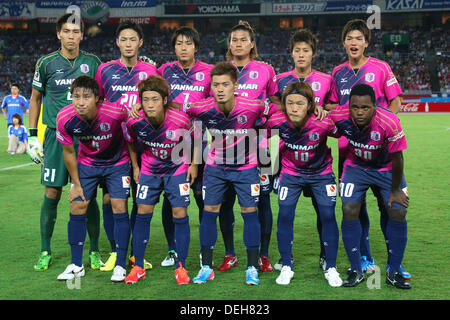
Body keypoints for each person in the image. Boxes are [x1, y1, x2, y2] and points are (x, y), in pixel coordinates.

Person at [327, 19, 409, 279]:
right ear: (344, 43)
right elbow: (332, 107)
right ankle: (364, 257)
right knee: (354, 206)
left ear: (366, 42)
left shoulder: (381, 67)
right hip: (349, 150)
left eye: (358, 38)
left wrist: (382, 129)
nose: (354, 43)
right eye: (349, 38)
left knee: (390, 206)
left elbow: (395, 101)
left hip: (381, 148)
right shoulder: (337, 73)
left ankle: (392, 262)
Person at [184, 61, 276, 285]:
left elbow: (279, 112)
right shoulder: (202, 107)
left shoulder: (253, 106)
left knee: (249, 211)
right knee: (209, 211)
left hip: (246, 167)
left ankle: (252, 268)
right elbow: (185, 121)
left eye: (225, 84)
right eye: (216, 85)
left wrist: (314, 108)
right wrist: (193, 162)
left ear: (235, 85)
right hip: (216, 168)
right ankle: (206, 267)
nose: (220, 89)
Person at [28, 13, 103, 271]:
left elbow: (103, 99)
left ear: (82, 34)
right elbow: (36, 98)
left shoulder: (93, 63)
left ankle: (94, 251)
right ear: (59, 34)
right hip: (54, 136)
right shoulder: (46, 63)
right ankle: (45, 250)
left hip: (86, 137)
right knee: (52, 193)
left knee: (87, 195)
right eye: (66, 31)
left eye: (76, 31)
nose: (71, 36)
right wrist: (31, 136)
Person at [329, 84, 411, 289]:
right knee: (348, 209)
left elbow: (398, 157)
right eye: (354, 107)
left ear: (374, 105)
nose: (359, 112)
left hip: (386, 168)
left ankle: (394, 271)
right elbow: (323, 123)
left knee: (398, 211)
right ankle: (356, 270)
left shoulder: (389, 121)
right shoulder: (339, 115)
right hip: (356, 167)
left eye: (365, 107)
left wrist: (395, 191)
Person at [95, 20, 159, 272]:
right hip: (113, 144)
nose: (128, 44)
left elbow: (158, 102)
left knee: (138, 197)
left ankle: (134, 253)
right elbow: (98, 102)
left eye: (133, 39)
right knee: (111, 198)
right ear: (117, 42)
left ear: (140, 43)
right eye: (124, 39)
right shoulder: (105, 70)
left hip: (143, 144)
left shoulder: (152, 70)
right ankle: (115, 250)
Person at [217, 20, 281, 273]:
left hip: (262, 144)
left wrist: (267, 118)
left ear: (252, 44)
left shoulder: (265, 69)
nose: (239, 43)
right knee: (225, 201)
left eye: (244, 39)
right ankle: (230, 253)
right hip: (226, 145)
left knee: (262, 200)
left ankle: (263, 255)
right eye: (234, 40)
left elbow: (276, 102)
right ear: (229, 45)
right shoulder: (220, 70)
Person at [265, 82, 342, 287]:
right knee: (285, 214)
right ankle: (287, 266)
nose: (294, 108)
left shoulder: (323, 122)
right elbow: (266, 142)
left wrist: (325, 110)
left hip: (321, 174)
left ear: (310, 105)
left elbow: (343, 133)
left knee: (327, 215)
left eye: (300, 103)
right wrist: (271, 174)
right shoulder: (276, 121)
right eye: (290, 103)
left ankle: (331, 266)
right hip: (291, 173)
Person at [55, 76, 131, 282]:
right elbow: (69, 152)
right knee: (77, 206)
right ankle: (76, 265)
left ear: (97, 98)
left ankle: (122, 264)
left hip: (117, 163)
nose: (80, 102)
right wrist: (75, 184)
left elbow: (132, 131)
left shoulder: (115, 112)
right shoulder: (65, 117)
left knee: (119, 206)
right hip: (88, 164)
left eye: (86, 97)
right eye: (76, 97)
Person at [126, 75, 197, 284]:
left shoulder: (181, 120)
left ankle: (181, 267)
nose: (150, 104)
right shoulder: (134, 120)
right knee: (143, 211)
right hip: (150, 168)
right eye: (145, 100)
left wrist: (193, 164)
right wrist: (136, 166)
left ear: (165, 100)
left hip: (177, 167)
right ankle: (138, 266)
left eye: (155, 99)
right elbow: (130, 141)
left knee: (179, 212)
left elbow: (196, 140)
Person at [275, 28, 334, 271]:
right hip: (288, 157)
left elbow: (332, 108)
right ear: (291, 53)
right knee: (286, 211)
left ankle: (324, 253)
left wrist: (323, 109)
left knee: (323, 210)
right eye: (297, 50)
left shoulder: (326, 79)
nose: (301, 55)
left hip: (318, 156)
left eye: (305, 51)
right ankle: (284, 258)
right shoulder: (280, 80)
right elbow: (276, 110)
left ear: (313, 53)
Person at [157, 26, 213, 267]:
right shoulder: (164, 71)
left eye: (188, 43)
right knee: (171, 200)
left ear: (196, 47)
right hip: (170, 144)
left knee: (201, 198)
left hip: (199, 144)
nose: (183, 47)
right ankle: (172, 250)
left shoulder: (208, 73)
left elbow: (211, 109)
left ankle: (203, 250)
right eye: (179, 43)